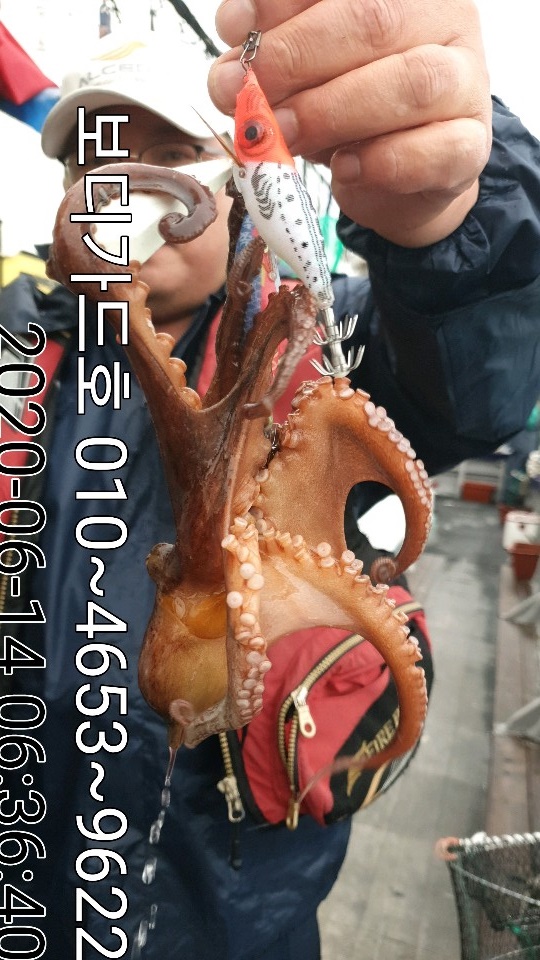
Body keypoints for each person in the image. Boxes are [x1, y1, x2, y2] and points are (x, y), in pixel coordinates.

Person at [1, 1, 539, 957]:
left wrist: (449, 214)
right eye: (95, 160)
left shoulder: (312, 348)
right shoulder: (17, 347)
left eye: (172, 152)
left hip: (231, 923)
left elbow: (474, 375)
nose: (129, 191)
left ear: (235, 184)